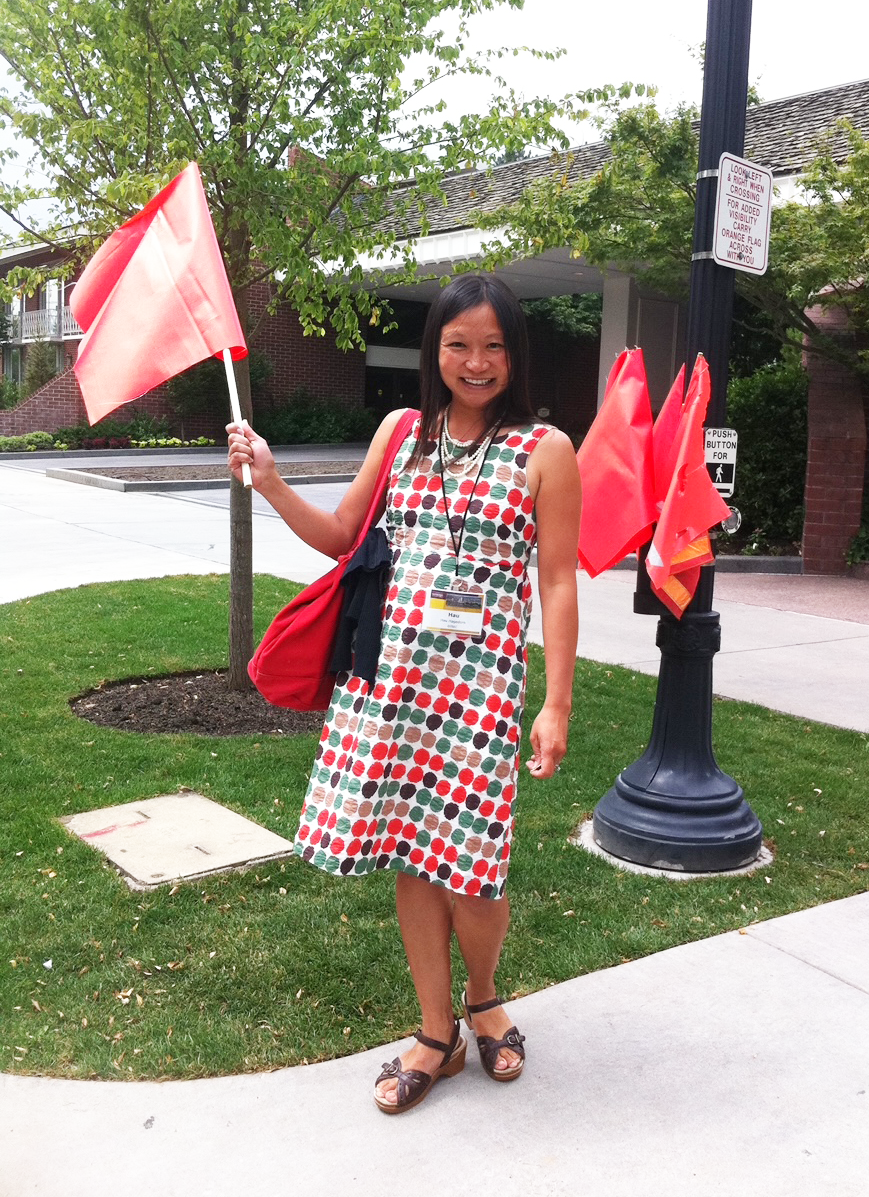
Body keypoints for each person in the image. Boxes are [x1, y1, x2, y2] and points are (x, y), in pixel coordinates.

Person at [227, 273, 581, 1114]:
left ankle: (484, 995)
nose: (476, 360)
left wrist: (556, 701)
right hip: (391, 687)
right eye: (459, 343)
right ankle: (436, 1033)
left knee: (474, 868)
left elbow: (558, 583)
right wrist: (273, 482)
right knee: (412, 855)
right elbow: (343, 536)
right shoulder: (400, 432)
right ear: (435, 351)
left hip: (481, 691)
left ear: (515, 355)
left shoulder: (545, 450)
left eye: (494, 344)